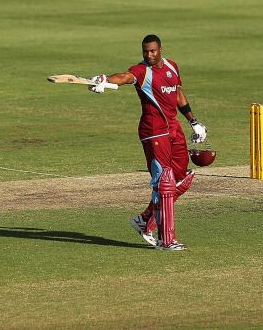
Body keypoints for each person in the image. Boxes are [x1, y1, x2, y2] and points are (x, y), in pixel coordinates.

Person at [88, 34, 207, 251]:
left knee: (182, 178)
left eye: (152, 51)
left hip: (174, 128)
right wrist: (106, 80)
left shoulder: (172, 66)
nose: (149, 55)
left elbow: (178, 94)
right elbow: (125, 77)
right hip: (154, 130)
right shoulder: (143, 71)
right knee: (165, 181)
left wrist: (194, 122)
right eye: (145, 52)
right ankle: (166, 240)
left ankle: (145, 219)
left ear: (161, 50)